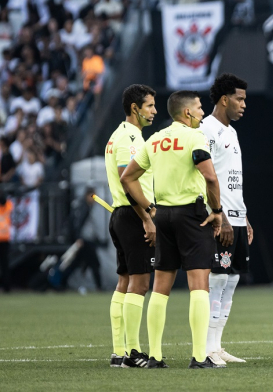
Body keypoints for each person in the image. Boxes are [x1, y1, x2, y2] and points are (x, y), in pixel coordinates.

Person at [121, 91, 223, 369]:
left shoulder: (154, 139)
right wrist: (217, 211)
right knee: (199, 284)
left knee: (160, 287)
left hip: (162, 215)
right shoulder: (195, 137)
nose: (203, 113)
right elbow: (211, 177)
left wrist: (150, 209)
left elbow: (127, 178)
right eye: (200, 108)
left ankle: (154, 357)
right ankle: (200, 358)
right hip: (192, 215)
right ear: (187, 113)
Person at [201, 73, 254, 366]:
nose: (243, 104)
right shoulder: (206, 129)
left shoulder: (231, 132)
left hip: (236, 215)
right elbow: (205, 176)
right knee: (217, 278)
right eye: (239, 98)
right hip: (219, 217)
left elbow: (232, 180)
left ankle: (217, 346)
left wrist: (243, 217)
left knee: (231, 279)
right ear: (224, 99)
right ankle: (207, 348)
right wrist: (217, 215)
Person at [104, 84, 157, 368]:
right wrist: (148, 215)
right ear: (135, 108)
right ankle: (134, 352)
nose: (154, 111)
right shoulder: (130, 137)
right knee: (140, 283)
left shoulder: (117, 135)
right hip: (133, 215)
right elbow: (128, 180)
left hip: (120, 215)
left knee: (124, 281)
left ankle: (118, 350)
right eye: (150, 106)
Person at [0, 193, 12, 292]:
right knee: (5, 264)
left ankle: (6, 286)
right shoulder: (8, 205)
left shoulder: (8, 205)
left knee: (5, 264)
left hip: (4, 238)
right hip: (5, 238)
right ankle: (6, 287)